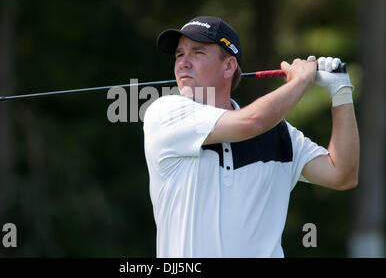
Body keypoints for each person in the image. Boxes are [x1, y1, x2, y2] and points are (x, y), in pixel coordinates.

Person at [143, 16, 359, 257]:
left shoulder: (279, 133)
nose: (183, 62)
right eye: (179, 54)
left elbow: (342, 174)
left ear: (228, 66)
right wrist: (300, 80)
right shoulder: (165, 113)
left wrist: (341, 92)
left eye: (197, 52)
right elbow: (252, 121)